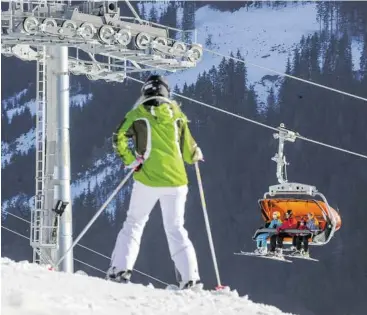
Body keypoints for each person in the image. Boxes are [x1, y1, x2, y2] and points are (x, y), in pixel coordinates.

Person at [107, 75, 204, 289]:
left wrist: (131, 160)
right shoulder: (178, 116)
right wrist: (196, 153)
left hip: (148, 180)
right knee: (176, 228)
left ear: (145, 93)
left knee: (134, 223)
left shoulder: (138, 114)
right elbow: (189, 154)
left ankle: (120, 270)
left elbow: (118, 137)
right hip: (177, 181)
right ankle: (190, 278)